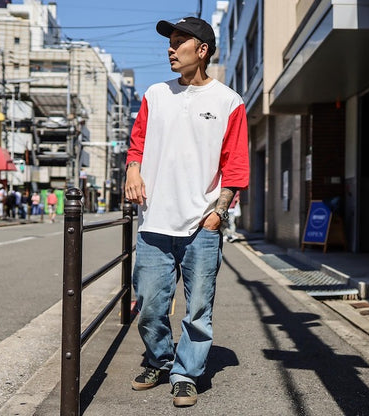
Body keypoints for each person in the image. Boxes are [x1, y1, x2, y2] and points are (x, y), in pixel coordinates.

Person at [124, 17, 249, 408]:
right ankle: (160, 360)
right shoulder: (155, 94)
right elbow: (137, 143)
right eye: (170, 42)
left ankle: (186, 373)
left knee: (198, 309)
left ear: (202, 50)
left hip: (202, 225)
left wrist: (219, 213)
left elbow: (236, 166)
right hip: (154, 222)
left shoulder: (229, 101)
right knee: (148, 305)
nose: (170, 49)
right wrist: (132, 170)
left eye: (179, 42)